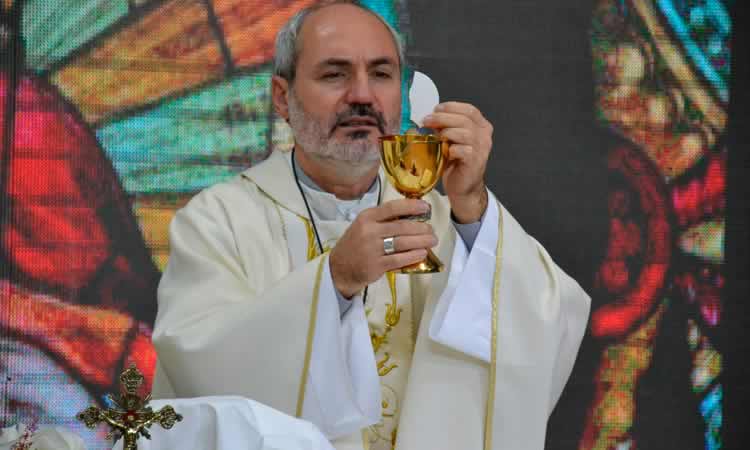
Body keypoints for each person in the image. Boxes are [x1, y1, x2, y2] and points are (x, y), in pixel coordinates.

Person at [150, 2, 590, 450]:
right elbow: (200, 366)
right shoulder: (220, 221)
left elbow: (546, 329)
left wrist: (473, 206)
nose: (362, 95)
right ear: (282, 97)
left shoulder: (444, 220)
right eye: (334, 74)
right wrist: (334, 280)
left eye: (381, 74)